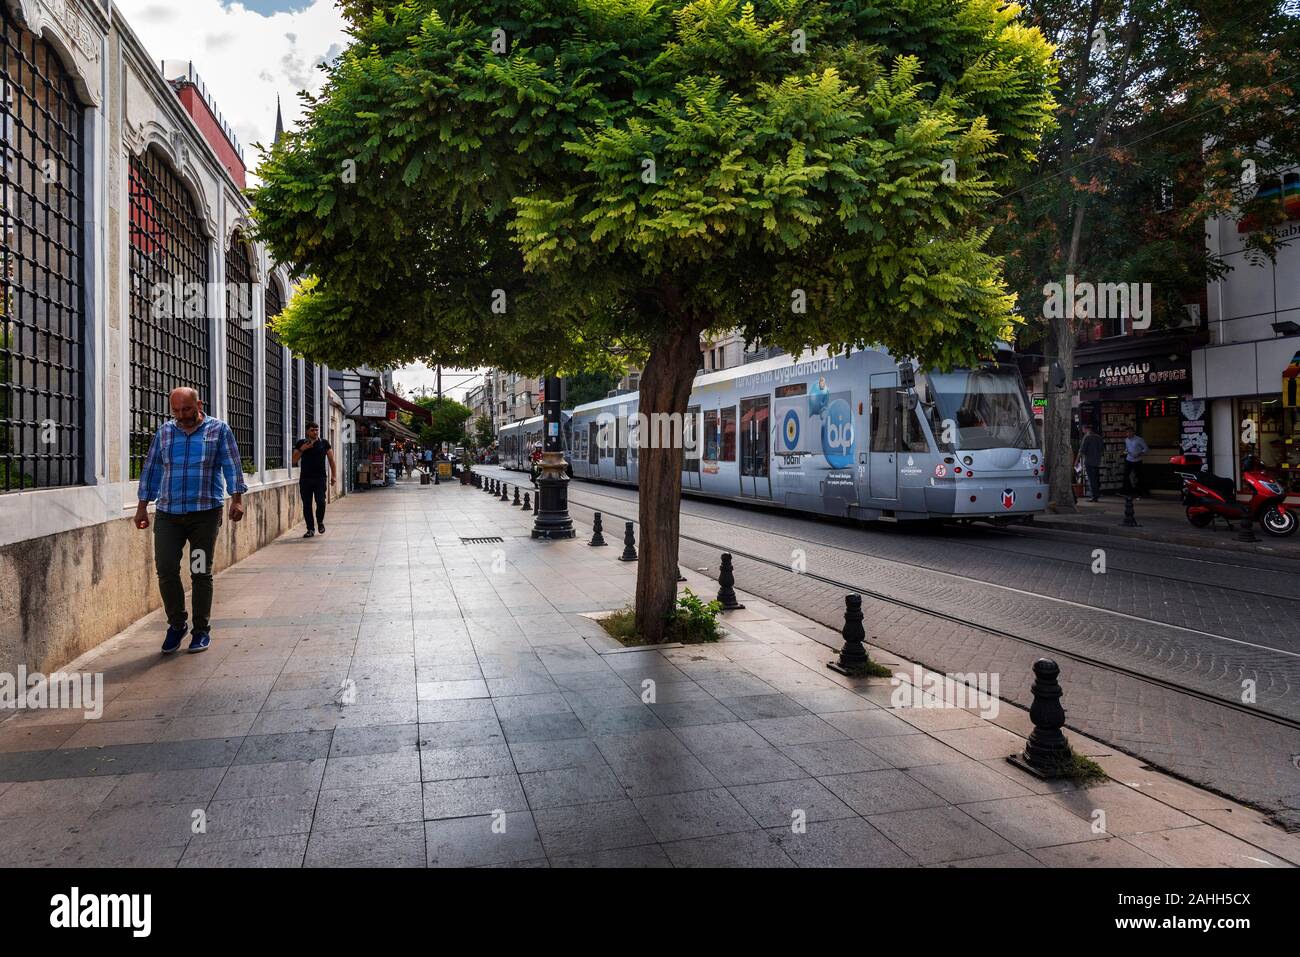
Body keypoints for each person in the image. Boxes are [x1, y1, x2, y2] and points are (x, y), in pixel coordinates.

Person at [134, 387, 245, 654]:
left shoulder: (218, 431)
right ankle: (176, 624)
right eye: (176, 411)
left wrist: (237, 499)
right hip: (168, 515)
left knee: (199, 571)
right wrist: (141, 507)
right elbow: (152, 469)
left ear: (199, 405)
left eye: (186, 409)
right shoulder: (165, 433)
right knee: (167, 568)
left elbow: (232, 464)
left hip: (203, 515)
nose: (181, 416)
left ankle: (200, 630)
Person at [293, 422, 335, 538]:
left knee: (321, 502)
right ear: (307, 432)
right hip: (305, 479)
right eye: (312, 430)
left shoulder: (324, 443)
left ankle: (320, 522)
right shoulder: (301, 443)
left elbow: (331, 460)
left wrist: (334, 476)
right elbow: (294, 460)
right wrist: (302, 449)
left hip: (320, 478)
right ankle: (310, 529)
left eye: (317, 430)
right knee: (307, 505)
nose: (315, 432)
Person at [1076, 424, 1104, 502]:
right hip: (1097, 461)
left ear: (1085, 429)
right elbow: (1102, 450)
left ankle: (1094, 497)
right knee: (1095, 478)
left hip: (1089, 461)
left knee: (1091, 479)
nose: (1082, 431)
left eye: (1082, 429)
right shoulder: (1098, 437)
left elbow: (1081, 451)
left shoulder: (1086, 437)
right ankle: (1096, 495)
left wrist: (1076, 461)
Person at [1122, 427, 1149, 497]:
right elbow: (1126, 449)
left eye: (1130, 432)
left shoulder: (1139, 439)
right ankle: (1128, 491)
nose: (1128, 434)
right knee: (1126, 476)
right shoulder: (1126, 440)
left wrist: (1139, 454)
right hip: (1129, 460)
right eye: (1127, 432)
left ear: (1133, 432)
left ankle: (1140, 492)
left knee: (1139, 477)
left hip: (1137, 460)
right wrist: (1125, 451)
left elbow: (1146, 449)